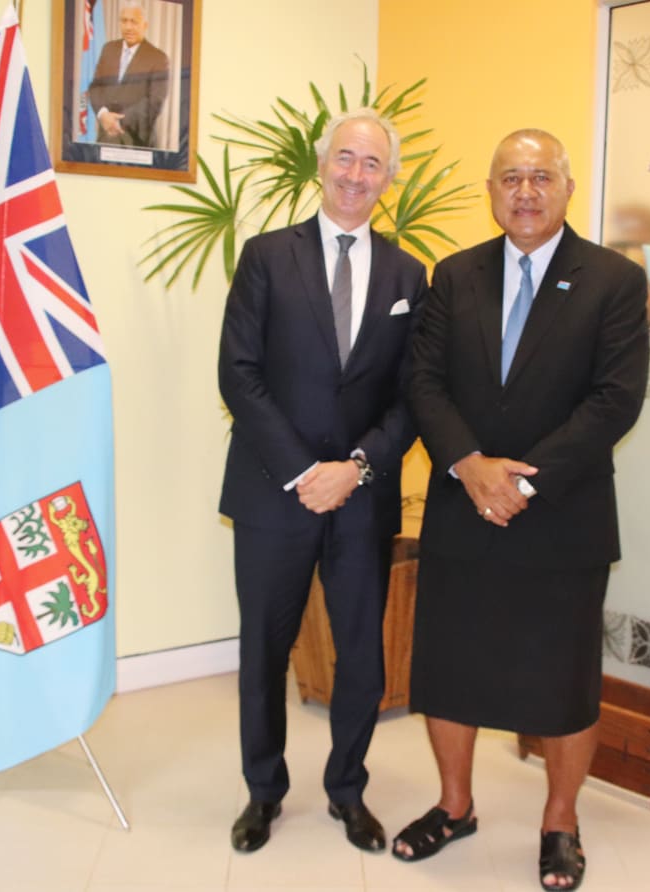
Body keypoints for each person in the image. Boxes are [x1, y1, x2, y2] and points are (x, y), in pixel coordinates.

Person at [393, 129, 649, 891]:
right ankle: (455, 805)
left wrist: (523, 483)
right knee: (447, 667)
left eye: (541, 176)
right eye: (511, 177)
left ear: (568, 188)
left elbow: (615, 401)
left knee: (563, 677)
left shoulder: (611, 279)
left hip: (562, 514)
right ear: (492, 190)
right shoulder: (456, 274)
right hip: (462, 505)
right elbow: (423, 382)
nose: (526, 191)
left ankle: (560, 822)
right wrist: (470, 467)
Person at [217, 108, 428, 854]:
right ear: (321, 164)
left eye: (372, 164)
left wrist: (356, 468)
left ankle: (348, 791)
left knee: (362, 656)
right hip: (276, 491)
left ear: (388, 179)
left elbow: (413, 394)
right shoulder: (268, 256)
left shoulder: (409, 274)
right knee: (264, 654)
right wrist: (307, 472)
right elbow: (238, 376)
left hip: (361, 500)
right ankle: (263, 793)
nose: (355, 175)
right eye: (345, 158)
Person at [88, 2, 170, 148]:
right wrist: (103, 115)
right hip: (105, 139)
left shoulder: (158, 58)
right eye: (124, 21)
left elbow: (155, 102)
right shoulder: (109, 49)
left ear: (145, 25)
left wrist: (118, 122)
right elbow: (95, 87)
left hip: (138, 142)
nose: (128, 27)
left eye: (134, 22)